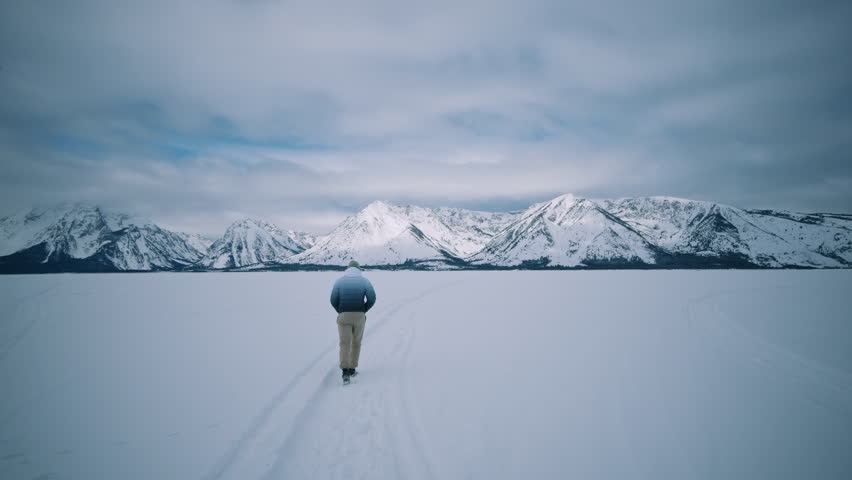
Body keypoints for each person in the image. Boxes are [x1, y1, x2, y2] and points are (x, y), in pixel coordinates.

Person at [330, 260, 376, 383]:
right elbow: (372, 298)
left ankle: (345, 371)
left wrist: (340, 311)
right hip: (359, 316)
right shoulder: (365, 281)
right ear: (359, 269)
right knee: (356, 342)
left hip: (344, 316)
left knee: (344, 343)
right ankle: (352, 369)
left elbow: (333, 299)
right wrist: (363, 310)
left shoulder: (339, 281)